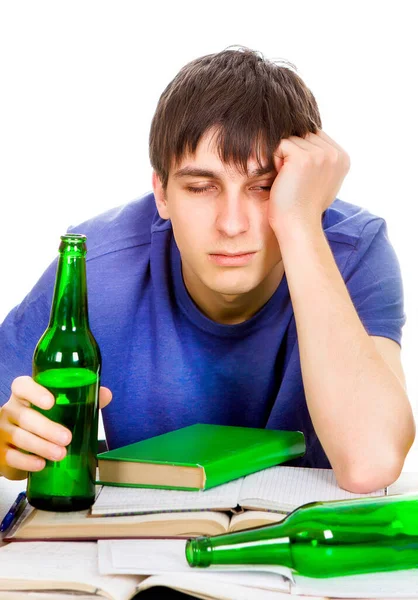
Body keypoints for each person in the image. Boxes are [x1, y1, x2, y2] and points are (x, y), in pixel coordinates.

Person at [0, 48, 414, 491]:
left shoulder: (352, 250)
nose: (232, 225)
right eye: (201, 187)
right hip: (142, 543)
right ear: (162, 194)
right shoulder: (96, 263)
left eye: (265, 188)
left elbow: (370, 463)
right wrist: (8, 440)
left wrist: (300, 223)